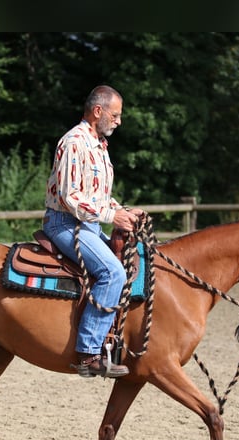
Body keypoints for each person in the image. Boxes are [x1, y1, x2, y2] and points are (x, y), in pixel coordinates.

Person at [43, 85, 144, 378]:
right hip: (64, 223)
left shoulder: (98, 146)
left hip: (86, 224)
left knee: (130, 261)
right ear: (97, 111)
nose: (118, 121)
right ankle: (88, 352)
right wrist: (112, 216)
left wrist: (121, 211)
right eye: (115, 114)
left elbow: (96, 196)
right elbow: (69, 197)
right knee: (113, 273)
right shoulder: (73, 142)